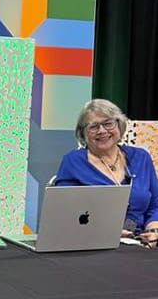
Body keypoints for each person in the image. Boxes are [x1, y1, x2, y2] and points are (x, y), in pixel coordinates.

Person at [55, 98, 158, 247]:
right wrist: (105, 232)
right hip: (92, 244)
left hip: (139, 243)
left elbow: (155, 203)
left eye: (108, 123)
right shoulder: (73, 162)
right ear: (83, 132)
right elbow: (64, 212)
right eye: (94, 126)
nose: (102, 131)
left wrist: (153, 229)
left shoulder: (141, 157)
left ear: (119, 125)